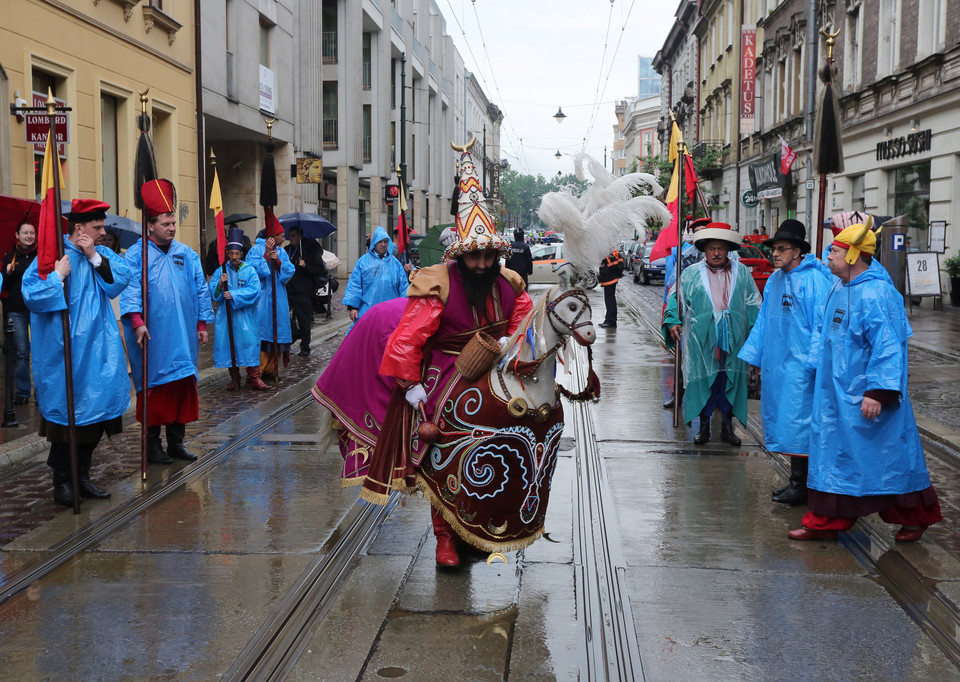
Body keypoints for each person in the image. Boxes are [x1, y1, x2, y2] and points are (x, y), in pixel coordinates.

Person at [313, 145, 534, 568]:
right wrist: (414, 392)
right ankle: (443, 538)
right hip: (441, 372)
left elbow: (523, 322)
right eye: (475, 255)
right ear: (460, 255)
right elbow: (406, 342)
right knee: (439, 449)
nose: (483, 263)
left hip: (488, 370)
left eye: (489, 255)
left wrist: (511, 345)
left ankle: (480, 521)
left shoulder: (508, 282)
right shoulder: (438, 283)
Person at [788, 222, 942, 542]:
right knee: (838, 458)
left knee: (888, 461)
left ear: (855, 255)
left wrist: (878, 391)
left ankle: (915, 516)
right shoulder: (838, 287)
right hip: (836, 397)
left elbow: (888, 344)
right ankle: (828, 519)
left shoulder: (877, 292)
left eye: (835, 250)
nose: (827, 255)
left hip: (866, 400)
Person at [22, 199, 132, 506]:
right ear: (79, 227)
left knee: (95, 419)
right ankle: (63, 482)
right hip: (64, 351)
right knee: (67, 422)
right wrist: (57, 276)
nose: (102, 232)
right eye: (97, 228)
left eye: (102, 227)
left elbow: (120, 280)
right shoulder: (52, 256)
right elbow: (31, 295)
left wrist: (94, 255)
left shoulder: (101, 253)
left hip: (98, 350)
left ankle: (82, 476)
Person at [121, 179, 213, 465]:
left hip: (184, 334)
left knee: (182, 386)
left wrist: (201, 324)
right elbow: (130, 289)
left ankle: (176, 442)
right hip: (153, 336)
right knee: (156, 389)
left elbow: (200, 288)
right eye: (165, 223)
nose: (171, 228)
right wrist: (137, 321)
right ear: (150, 225)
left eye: (173, 222)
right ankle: (153, 446)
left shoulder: (187, 253)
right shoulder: (138, 255)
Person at [738, 220, 830, 506]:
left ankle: (803, 485)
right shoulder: (776, 280)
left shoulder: (816, 280)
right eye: (774, 248)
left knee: (800, 423)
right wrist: (755, 356)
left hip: (802, 367)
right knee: (785, 422)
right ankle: (796, 482)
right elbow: (764, 320)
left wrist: (813, 364)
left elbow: (821, 327)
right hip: (779, 364)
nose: (775, 254)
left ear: (798, 251)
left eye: (781, 248)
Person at [662, 223, 761, 446]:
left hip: (734, 339)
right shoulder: (690, 274)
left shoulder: (742, 272)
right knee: (702, 380)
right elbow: (675, 300)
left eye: (721, 248)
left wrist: (755, 336)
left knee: (729, 380)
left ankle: (727, 426)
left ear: (728, 250)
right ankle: (704, 427)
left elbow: (753, 303)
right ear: (704, 250)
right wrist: (673, 321)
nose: (716, 253)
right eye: (711, 248)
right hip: (700, 339)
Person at [209, 227, 267, 391]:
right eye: (231, 253)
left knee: (249, 343)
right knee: (229, 345)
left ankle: (254, 377)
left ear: (241, 254)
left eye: (237, 254)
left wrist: (234, 294)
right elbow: (213, 292)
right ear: (227, 253)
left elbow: (255, 291)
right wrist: (220, 284)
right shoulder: (221, 271)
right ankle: (234, 378)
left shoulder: (250, 271)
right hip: (226, 317)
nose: (234, 257)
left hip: (245, 316)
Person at [246, 229, 295, 378]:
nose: (284, 237)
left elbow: (289, 271)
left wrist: (278, 261)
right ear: (272, 238)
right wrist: (266, 256)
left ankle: (272, 368)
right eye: (281, 235)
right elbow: (251, 271)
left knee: (277, 331)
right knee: (261, 332)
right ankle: (257, 371)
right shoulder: (255, 250)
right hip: (261, 298)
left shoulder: (282, 251)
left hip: (278, 297)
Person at [341, 225, 409, 329]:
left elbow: (404, 287)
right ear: (374, 243)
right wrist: (353, 307)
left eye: (385, 241)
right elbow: (355, 285)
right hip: (368, 311)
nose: (383, 244)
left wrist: (404, 307)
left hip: (391, 312)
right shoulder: (363, 262)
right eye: (380, 241)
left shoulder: (396, 264)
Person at [2, 221, 38, 404]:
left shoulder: (41, 256)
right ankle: (23, 393)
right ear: (17, 235)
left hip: (39, 309)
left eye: (32, 232)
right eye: (25, 233)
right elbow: (4, 288)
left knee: (40, 352)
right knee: (22, 353)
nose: (29, 236)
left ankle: (41, 393)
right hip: (16, 310)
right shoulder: (10, 257)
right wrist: (7, 273)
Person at [284, 225, 327, 356]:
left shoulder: (309, 251)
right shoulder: (287, 250)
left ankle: (305, 347)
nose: (290, 238)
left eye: (293, 236)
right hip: (288, 289)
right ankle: (294, 335)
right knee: (284, 316)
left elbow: (320, 269)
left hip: (303, 291)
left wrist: (306, 265)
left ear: (300, 237)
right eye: (289, 236)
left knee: (304, 320)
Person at [598, 248, 624, 328]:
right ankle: (609, 319)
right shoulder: (612, 251)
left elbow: (613, 265)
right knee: (609, 300)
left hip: (609, 279)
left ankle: (611, 321)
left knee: (610, 301)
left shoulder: (609, 252)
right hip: (610, 278)